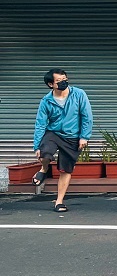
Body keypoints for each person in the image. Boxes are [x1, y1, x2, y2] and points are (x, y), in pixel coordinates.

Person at [32, 69, 94, 213]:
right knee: (44, 153)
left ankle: (59, 202)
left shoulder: (79, 94)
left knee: (65, 170)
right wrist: (36, 146)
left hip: (72, 136)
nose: (63, 82)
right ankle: (44, 169)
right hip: (53, 133)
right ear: (50, 84)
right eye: (59, 81)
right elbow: (40, 124)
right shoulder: (46, 101)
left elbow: (87, 117)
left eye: (65, 79)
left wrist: (84, 137)